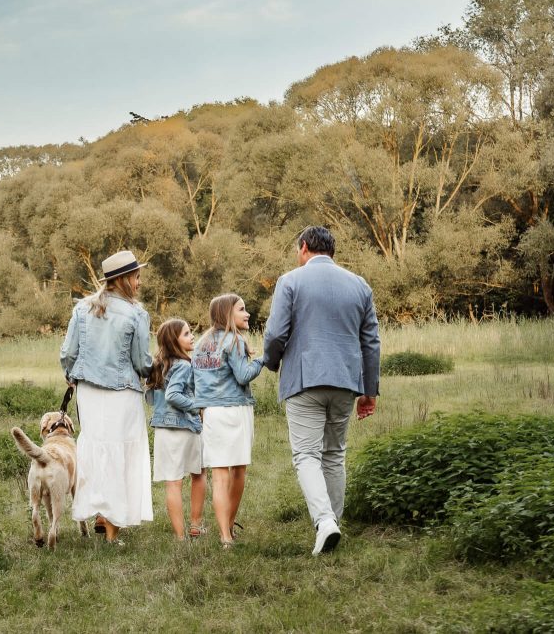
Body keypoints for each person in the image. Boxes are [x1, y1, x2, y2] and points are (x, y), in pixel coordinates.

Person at [262, 226, 380, 555]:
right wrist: (369, 390)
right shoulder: (360, 286)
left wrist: (271, 363)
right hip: (345, 381)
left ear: (303, 248)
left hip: (305, 379)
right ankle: (333, 523)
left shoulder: (290, 281)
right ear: (332, 250)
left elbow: (274, 335)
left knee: (306, 455)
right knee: (334, 453)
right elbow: (371, 342)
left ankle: (325, 522)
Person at [60, 250, 154, 544]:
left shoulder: (82, 309)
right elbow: (141, 363)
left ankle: (100, 511)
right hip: (122, 393)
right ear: (125, 279)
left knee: (96, 450)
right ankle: (112, 532)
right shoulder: (137, 315)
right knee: (121, 455)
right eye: (137, 276)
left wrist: (73, 375)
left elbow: (68, 354)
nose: (140, 282)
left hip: (88, 393)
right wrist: (156, 369)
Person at [192, 293, 264, 548]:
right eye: (241, 310)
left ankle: (225, 536)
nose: (247, 314)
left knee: (219, 476)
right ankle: (229, 527)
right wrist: (263, 359)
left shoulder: (200, 344)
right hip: (235, 410)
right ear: (227, 314)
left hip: (211, 413)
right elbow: (243, 375)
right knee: (238, 471)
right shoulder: (233, 340)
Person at [146, 318, 206, 541]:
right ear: (174, 341)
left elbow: (152, 397)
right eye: (187, 334)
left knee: (173, 482)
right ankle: (195, 525)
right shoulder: (183, 365)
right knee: (199, 474)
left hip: (163, 429)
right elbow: (173, 396)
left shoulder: (160, 364)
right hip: (185, 427)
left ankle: (180, 536)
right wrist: (197, 406)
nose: (192, 337)